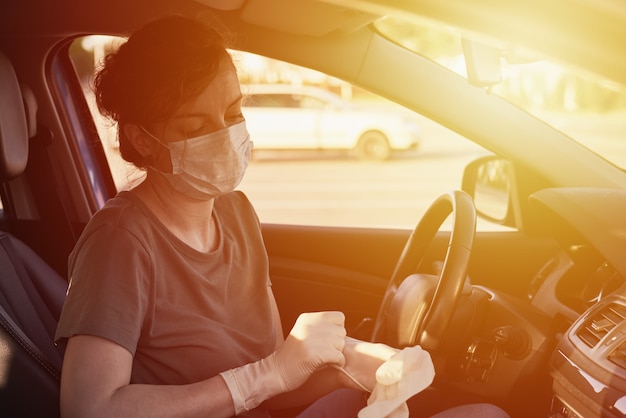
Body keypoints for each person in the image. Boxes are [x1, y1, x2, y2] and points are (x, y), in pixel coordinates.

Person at [54, 15, 509, 418]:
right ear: (145, 139)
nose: (224, 135)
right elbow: (90, 408)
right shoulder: (119, 241)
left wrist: (351, 367)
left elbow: (275, 383)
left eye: (233, 113)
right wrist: (265, 376)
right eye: (195, 127)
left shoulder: (236, 213)